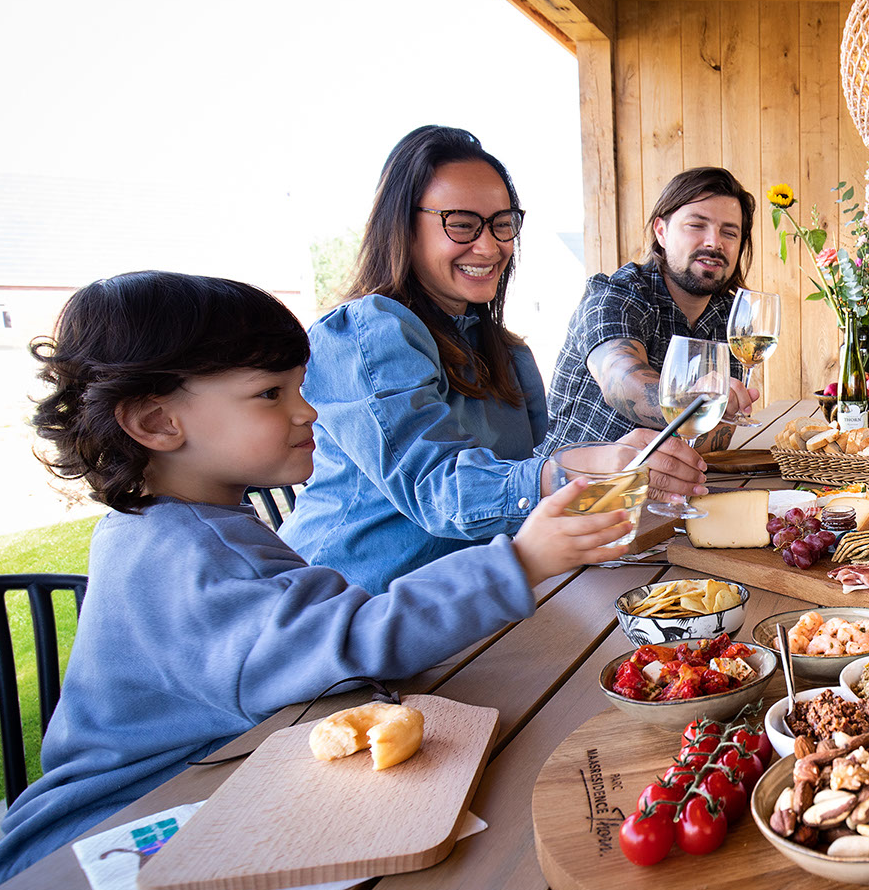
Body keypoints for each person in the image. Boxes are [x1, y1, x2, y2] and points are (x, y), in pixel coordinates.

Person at [0, 271, 633, 888]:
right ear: (157, 422)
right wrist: (520, 561)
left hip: (199, 791)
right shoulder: (190, 554)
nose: (310, 413)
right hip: (98, 849)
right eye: (271, 394)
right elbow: (350, 644)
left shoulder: (171, 522)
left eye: (301, 387)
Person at [280, 126, 703, 592]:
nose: (489, 246)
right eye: (461, 224)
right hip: (349, 609)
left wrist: (630, 470)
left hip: (467, 605)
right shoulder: (368, 329)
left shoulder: (506, 351)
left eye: (502, 224)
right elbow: (438, 490)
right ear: (402, 225)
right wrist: (582, 469)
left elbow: (518, 488)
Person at [543, 166, 758, 451]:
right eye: (697, 225)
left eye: (729, 233)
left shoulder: (729, 316)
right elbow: (622, 382)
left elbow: (715, 439)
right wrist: (704, 405)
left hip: (665, 488)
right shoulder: (616, 295)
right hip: (575, 487)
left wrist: (721, 410)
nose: (713, 242)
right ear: (661, 232)